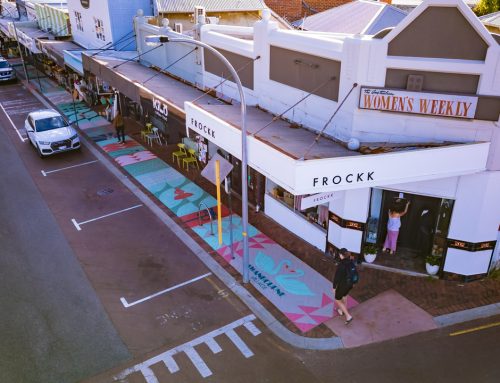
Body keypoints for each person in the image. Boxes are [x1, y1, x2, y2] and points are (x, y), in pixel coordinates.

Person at [332, 248, 354, 325]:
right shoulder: (351, 261)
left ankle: (348, 316)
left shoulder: (341, 265)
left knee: (337, 299)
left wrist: (334, 287)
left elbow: (336, 277)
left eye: (339, 254)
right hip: (350, 284)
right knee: (344, 296)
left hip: (343, 284)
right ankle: (341, 310)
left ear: (341, 255)